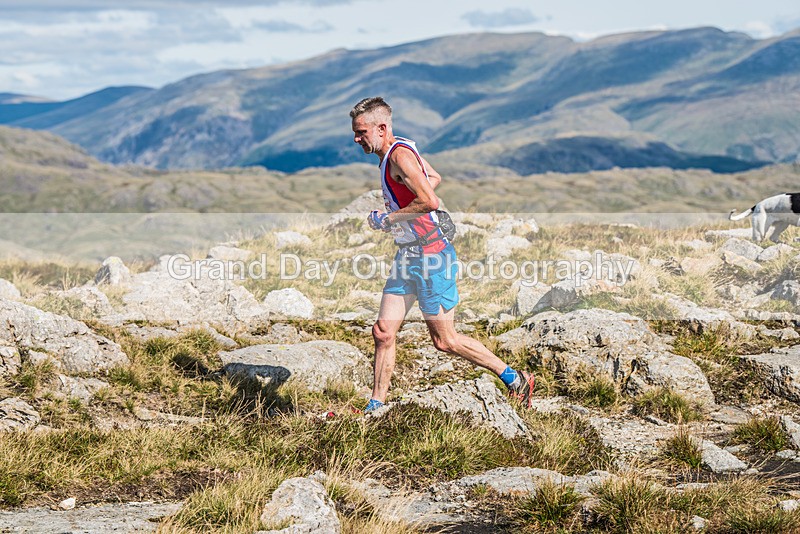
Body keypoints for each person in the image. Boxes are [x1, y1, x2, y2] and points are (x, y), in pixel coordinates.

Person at [349, 96, 535, 413]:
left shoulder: (400, 157)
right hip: (408, 256)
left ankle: (515, 379)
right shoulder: (400, 149)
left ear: (381, 128)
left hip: (431, 255)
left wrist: (388, 218)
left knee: (445, 341)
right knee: (383, 332)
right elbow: (433, 179)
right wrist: (402, 209)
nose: (356, 138)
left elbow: (431, 201)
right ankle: (375, 406)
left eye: (361, 131)